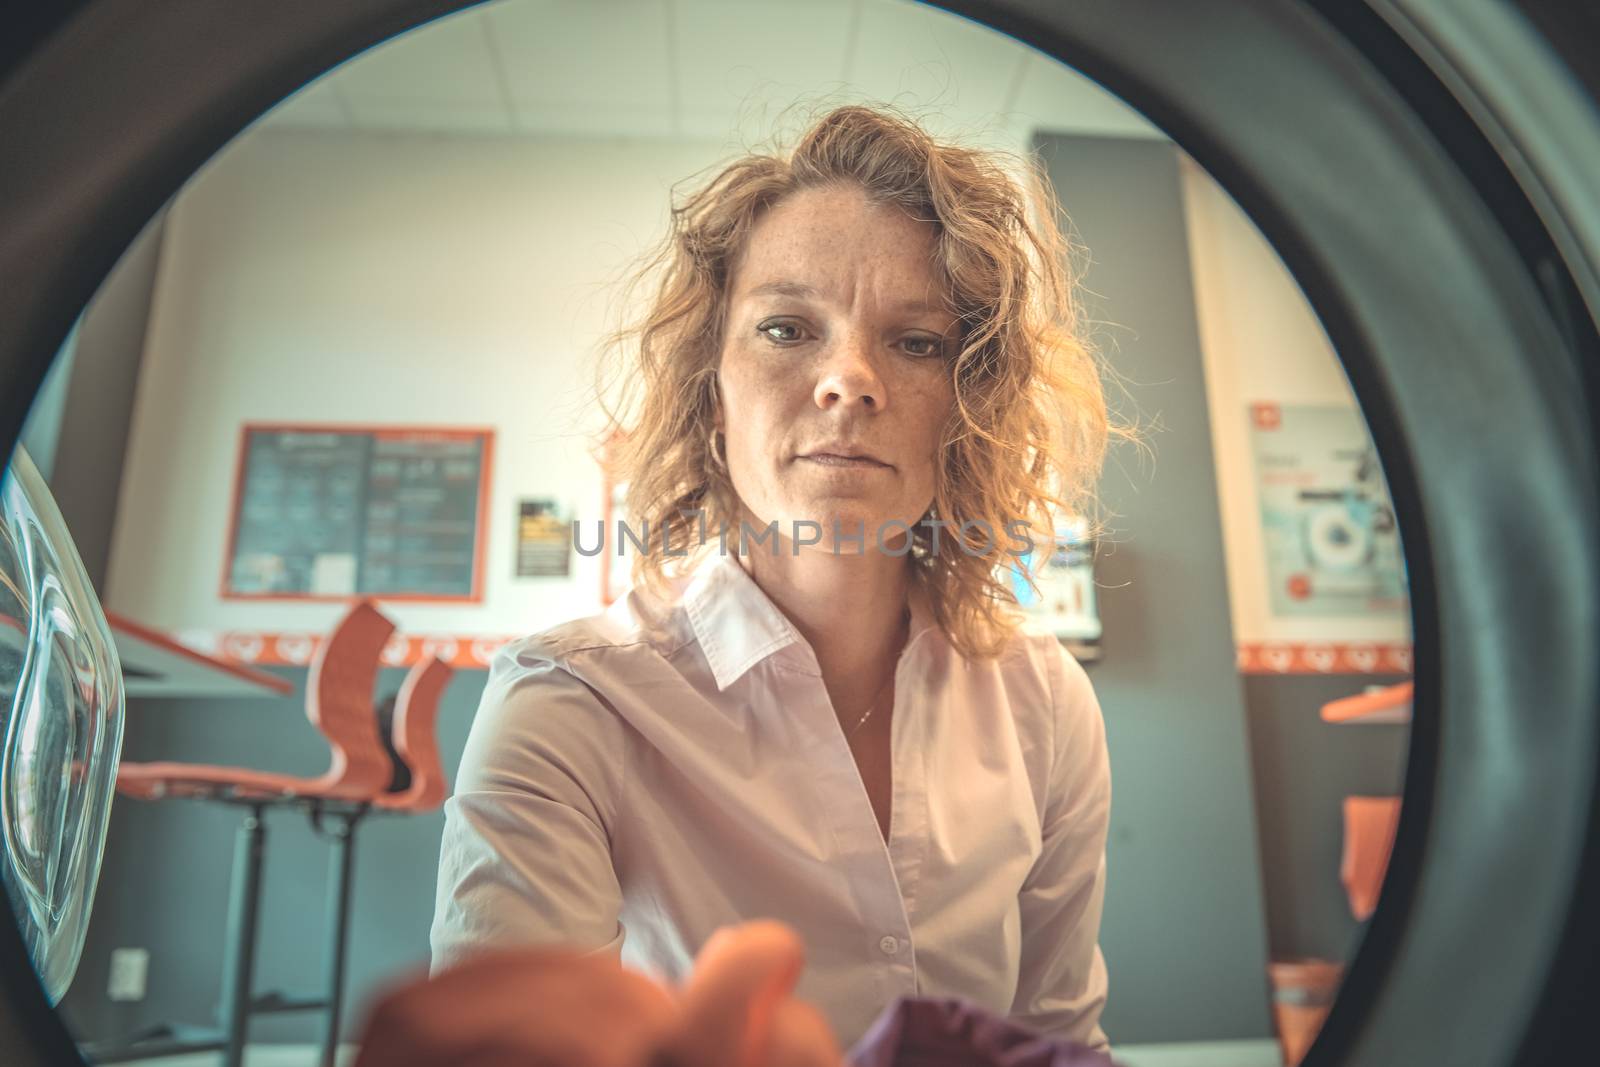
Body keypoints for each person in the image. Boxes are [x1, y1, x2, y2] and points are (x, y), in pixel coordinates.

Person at [430, 102, 1123, 1052]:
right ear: (711, 396)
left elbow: (1060, 1042)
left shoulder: (1046, 704)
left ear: (964, 412)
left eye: (917, 341)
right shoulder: (566, 708)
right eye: (788, 329)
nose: (850, 378)